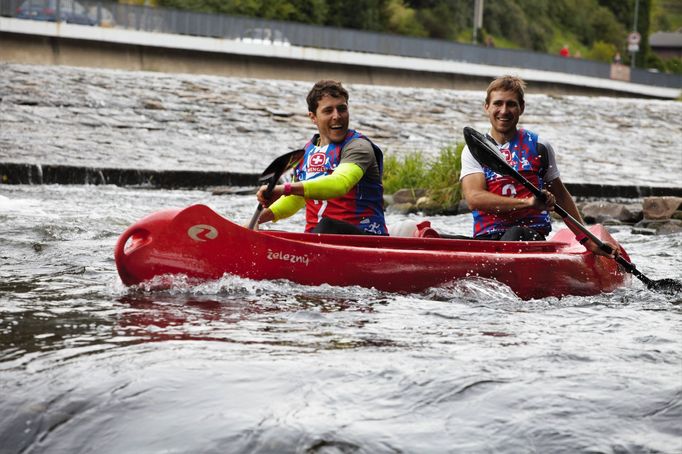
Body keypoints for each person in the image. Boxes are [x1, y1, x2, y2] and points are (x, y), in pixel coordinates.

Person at [459, 75, 616, 257]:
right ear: (487, 107)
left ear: (521, 108)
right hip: (487, 239)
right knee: (438, 237)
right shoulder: (474, 150)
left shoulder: (539, 146)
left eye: (511, 104)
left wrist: (587, 240)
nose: (504, 110)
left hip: (529, 238)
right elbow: (474, 198)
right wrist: (528, 203)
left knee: (516, 233)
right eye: (498, 104)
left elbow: (562, 197)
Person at [255, 80, 387, 235]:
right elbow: (295, 199)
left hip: (365, 239)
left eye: (342, 109)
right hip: (318, 239)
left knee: (327, 226)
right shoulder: (306, 153)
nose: (337, 116)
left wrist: (285, 188)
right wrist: (258, 219)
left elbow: (340, 184)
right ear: (313, 117)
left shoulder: (358, 147)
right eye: (328, 111)